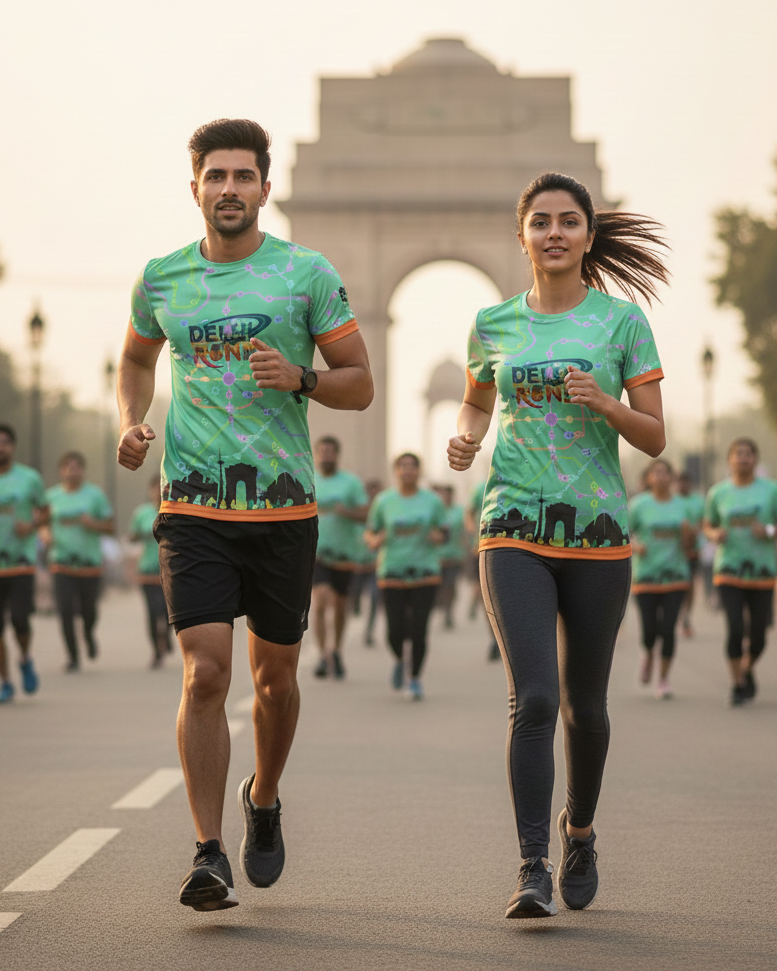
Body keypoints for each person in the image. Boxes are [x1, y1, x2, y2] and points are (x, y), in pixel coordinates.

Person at [116, 118, 373, 912]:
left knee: (275, 680)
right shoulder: (162, 278)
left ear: (265, 187)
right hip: (192, 501)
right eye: (214, 175)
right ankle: (206, 850)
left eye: (242, 176)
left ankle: (262, 796)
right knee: (205, 673)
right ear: (193, 186)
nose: (228, 188)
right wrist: (130, 417)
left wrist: (300, 377)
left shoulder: (306, 273)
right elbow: (134, 356)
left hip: (282, 509)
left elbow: (358, 381)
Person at [448, 171, 668, 919]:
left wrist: (604, 402)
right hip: (511, 528)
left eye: (567, 221)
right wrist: (464, 437)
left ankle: (579, 830)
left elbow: (654, 434)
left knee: (587, 708)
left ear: (587, 234)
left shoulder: (621, 324)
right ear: (521, 236)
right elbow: (477, 397)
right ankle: (531, 865)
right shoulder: (491, 323)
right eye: (539, 221)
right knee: (534, 696)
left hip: (598, 533)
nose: (553, 233)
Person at [364, 454, 446, 700]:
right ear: (396, 471)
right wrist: (374, 541)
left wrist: (438, 537)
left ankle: (415, 679)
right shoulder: (384, 500)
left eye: (412, 467)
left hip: (425, 572)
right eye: (403, 467)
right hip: (392, 572)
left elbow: (444, 531)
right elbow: (370, 531)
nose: (407, 472)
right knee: (394, 630)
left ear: (419, 472)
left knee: (419, 629)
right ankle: (400, 659)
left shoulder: (432, 501)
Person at [703, 438, 777, 706]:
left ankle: (746, 668)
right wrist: (714, 534)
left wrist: (768, 531)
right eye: (738, 454)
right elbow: (708, 524)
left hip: (763, 572)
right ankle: (738, 684)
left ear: (755, 460)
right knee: (734, 629)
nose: (743, 458)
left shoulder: (771, 490)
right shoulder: (718, 493)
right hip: (728, 571)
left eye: (748, 454)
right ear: (729, 460)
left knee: (758, 635)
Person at [629, 459, 693, 699]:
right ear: (648, 478)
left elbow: (690, 547)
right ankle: (647, 655)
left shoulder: (682, 506)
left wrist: (688, 535)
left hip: (676, 576)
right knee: (649, 631)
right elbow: (624, 533)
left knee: (668, 629)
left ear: (672, 478)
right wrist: (636, 545)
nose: (661, 477)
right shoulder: (638, 505)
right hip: (646, 577)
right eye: (656, 473)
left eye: (666, 473)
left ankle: (663, 680)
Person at [45, 452, 114, 671]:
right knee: (65, 611)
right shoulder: (51, 497)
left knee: (88, 611)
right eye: (68, 466)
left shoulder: (95, 495)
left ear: (83, 470)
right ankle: (73, 657)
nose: (72, 470)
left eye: (77, 467)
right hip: (61, 564)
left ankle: (88, 633)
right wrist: (45, 534)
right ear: (61, 471)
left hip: (89, 565)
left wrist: (92, 523)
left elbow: (111, 527)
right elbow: (41, 523)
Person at [310, 436, 368, 679]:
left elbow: (366, 514)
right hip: (315, 553)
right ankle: (323, 654)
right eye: (322, 451)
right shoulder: (308, 478)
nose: (326, 455)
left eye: (331, 451)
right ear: (316, 454)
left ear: (337, 455)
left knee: (340, 607)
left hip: (344, 554)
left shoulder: (351, 483)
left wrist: (347, 512)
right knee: (321, 600)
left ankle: (336, 650)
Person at [0, 424, 48, 702]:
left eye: (5, 442)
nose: (1, 447)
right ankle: (5, 681)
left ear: (13, 447)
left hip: (21, 563)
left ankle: (25, 658)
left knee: (20, 620)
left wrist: (31, 525)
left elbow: (45, 512)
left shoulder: (29, 479)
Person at [128, 477, 171, 668]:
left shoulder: (173, 511)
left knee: (169, 612)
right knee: (153, 613)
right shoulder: (142, 513)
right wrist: (136, 535)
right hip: (147, 571)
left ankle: (166, 637)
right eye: (154, 489)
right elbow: (132, 536)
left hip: (171, 571)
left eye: (161, 488)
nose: (157, 492)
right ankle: (156, 651)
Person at [433, 485, 466, 628]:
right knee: (440, 586)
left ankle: (449, 611)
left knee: (451, 585)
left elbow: (464, 532)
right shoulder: (436, 512)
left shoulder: (459, 512)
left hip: (454, 555)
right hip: (437, 556)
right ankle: (443, 607)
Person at [676, 471, 705, 635]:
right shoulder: (672, 500)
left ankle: (686, 617)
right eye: (680, 483)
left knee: (690, 585)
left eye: (686, 483)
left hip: (693, 550)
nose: (683, 486)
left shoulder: (698, 502)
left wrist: (696, 531)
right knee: (677, 584)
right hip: (674, 552)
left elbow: (703, 522)